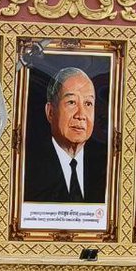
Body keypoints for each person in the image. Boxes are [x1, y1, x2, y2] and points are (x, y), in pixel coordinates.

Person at [24, 67, 108, 203]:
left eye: (88, 104)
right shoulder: (26, 167)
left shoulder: (106, 165)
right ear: (50, 111)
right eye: (71, 102)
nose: (81, 115)